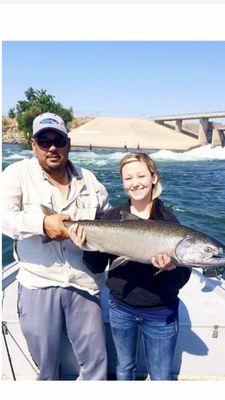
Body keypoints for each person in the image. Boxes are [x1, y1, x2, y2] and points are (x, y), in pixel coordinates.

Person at [2, 112, 111, 380]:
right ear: (32, 144)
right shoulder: (16, 174)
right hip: (39, 281)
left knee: (96, 364)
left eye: (58, 140)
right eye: (44, 141)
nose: (52, 147)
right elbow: (4, 217)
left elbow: (109, 220)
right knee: (46, 367)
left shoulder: (90, 180)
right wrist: (42, 224)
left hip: (84, 282)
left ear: (68, 144)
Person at [72, 153, 191, 381]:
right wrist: (85, 246)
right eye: (128, 178)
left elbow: (181, 280)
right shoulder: (112, 217)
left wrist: (170, 269)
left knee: (160, 376)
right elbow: (97, 267)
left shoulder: (169, 222)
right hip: (121, 308)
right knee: (124, 368)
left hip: (160, 312)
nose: (135, 183)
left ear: (153, 177)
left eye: (141, 175)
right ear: (123, 183)